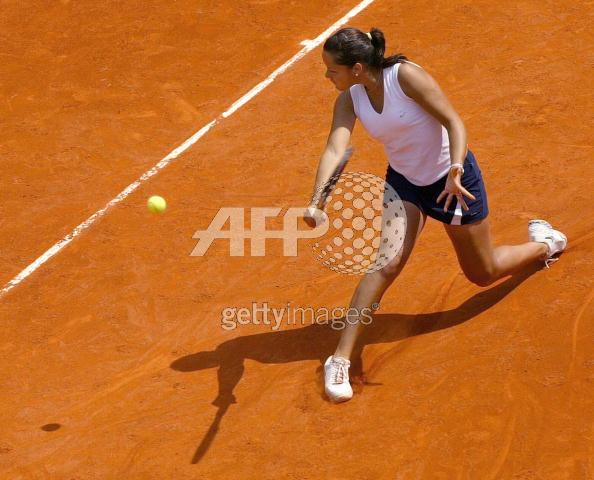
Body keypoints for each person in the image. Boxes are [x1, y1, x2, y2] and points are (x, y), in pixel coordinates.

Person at [306, 27, 567, 403]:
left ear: (358, 67)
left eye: (332, 69)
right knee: (385, 263)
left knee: (483, 272)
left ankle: (544, 244)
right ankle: (340, 358)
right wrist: (317, 200)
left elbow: (453, 122)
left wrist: (457, 168)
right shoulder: (350, 99)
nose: (327, 75)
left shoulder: (405, 77)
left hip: (452, 182)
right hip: (406, 183)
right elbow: (335, 147)